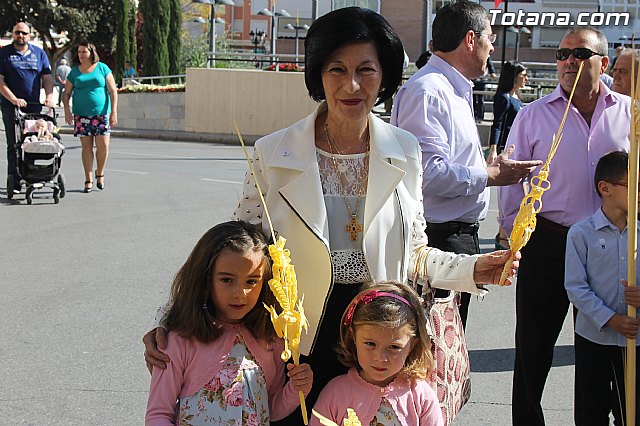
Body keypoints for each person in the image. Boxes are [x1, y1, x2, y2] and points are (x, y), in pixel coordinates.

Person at [144, 7, 520, 425]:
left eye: (366, 69)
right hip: (293, 345)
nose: (352, 85)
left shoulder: (406, 150)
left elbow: (414, 255)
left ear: (386, 76)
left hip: (375, 340)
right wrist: (177, 325)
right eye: (337, 69)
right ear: (318, 75)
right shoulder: (273, 153)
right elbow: (238, 253)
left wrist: (475, 269)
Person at [498, 27, 631, 426]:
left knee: (606, 352)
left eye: (580, 54)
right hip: (548, 243)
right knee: (533, 352)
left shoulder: (630, 112)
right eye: (562, 54)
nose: (569, 61)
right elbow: (511, 179)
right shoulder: (532, 115)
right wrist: (511, 237)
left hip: (614, 248)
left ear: (602, 63)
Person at [391, 0, 540, 329]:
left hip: (453, 236)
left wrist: (485, 168)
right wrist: (489, 175)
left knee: (448, 343)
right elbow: (428, 175)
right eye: (490, 37)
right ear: (471, 39)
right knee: (434, 348)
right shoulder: (429, 91)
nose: (492, 47)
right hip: (438, 241)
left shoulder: (449, 88)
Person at [145, 220, 313, 424]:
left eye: (251, 281)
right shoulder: (179, 342)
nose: (240, 293)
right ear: (205, 279)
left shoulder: (271, 341)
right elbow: (158, 414)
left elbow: (270, 409)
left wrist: (296, 390)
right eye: (227, 280)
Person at [565, 151, 640, 425]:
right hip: (594, 339)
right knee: (592, 410)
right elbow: (575, 287)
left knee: (631, 412)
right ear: (605, 188)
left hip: (634, 340)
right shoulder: (581, 233)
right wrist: (611, 318)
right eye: (635, 185)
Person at [310, 281, 443, 426]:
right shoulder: (336, 393)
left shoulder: (421, 396)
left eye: (394, 347)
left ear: (412, 345)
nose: (380, 357)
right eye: (370, 344)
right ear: (354, 337)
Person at [0, 22, 54, 194]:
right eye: (17, 33)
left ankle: (31, 176)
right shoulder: (4, 53)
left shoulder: (39, 53)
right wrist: (14, 99)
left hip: (33, 107)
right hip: (11, 106)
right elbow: (0, 82)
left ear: (29, 35)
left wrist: (49, 97)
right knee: (13, 144)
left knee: (32, 142)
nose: (20, 36)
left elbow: (47, 78)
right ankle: (14, 180)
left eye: (23, 33)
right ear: (13, 34)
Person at [62, 41, 118, 193]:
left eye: (84, 52)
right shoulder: (74, 72)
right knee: (86, 147)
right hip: (82, 114)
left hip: (101, 114)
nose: (81, 55)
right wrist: (67, 110)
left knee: (103, 146)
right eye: (79, 52)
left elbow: (113, 91)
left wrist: (114, 112)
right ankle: (88, 178)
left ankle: (100, 173)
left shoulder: (102, 68)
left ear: (91, 53)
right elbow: (66, 93)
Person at [487, 61, 528, 250]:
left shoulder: (517, 98)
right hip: (507, 149)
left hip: (519, 148)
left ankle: (505, 234)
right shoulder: (504, 98)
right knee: (508, 196)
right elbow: (497, 123)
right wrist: (494, 148)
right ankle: (503, 236)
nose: (526, 78)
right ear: (514, 76)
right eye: (523, 74)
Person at [472, 57, 496, 121]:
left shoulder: (486, 56)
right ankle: (474, 115)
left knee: (480, 98)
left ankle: (480, 116)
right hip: (473, 79)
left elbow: (490, 64)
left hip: (481, 80)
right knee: (473, 98)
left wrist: (492, 72)